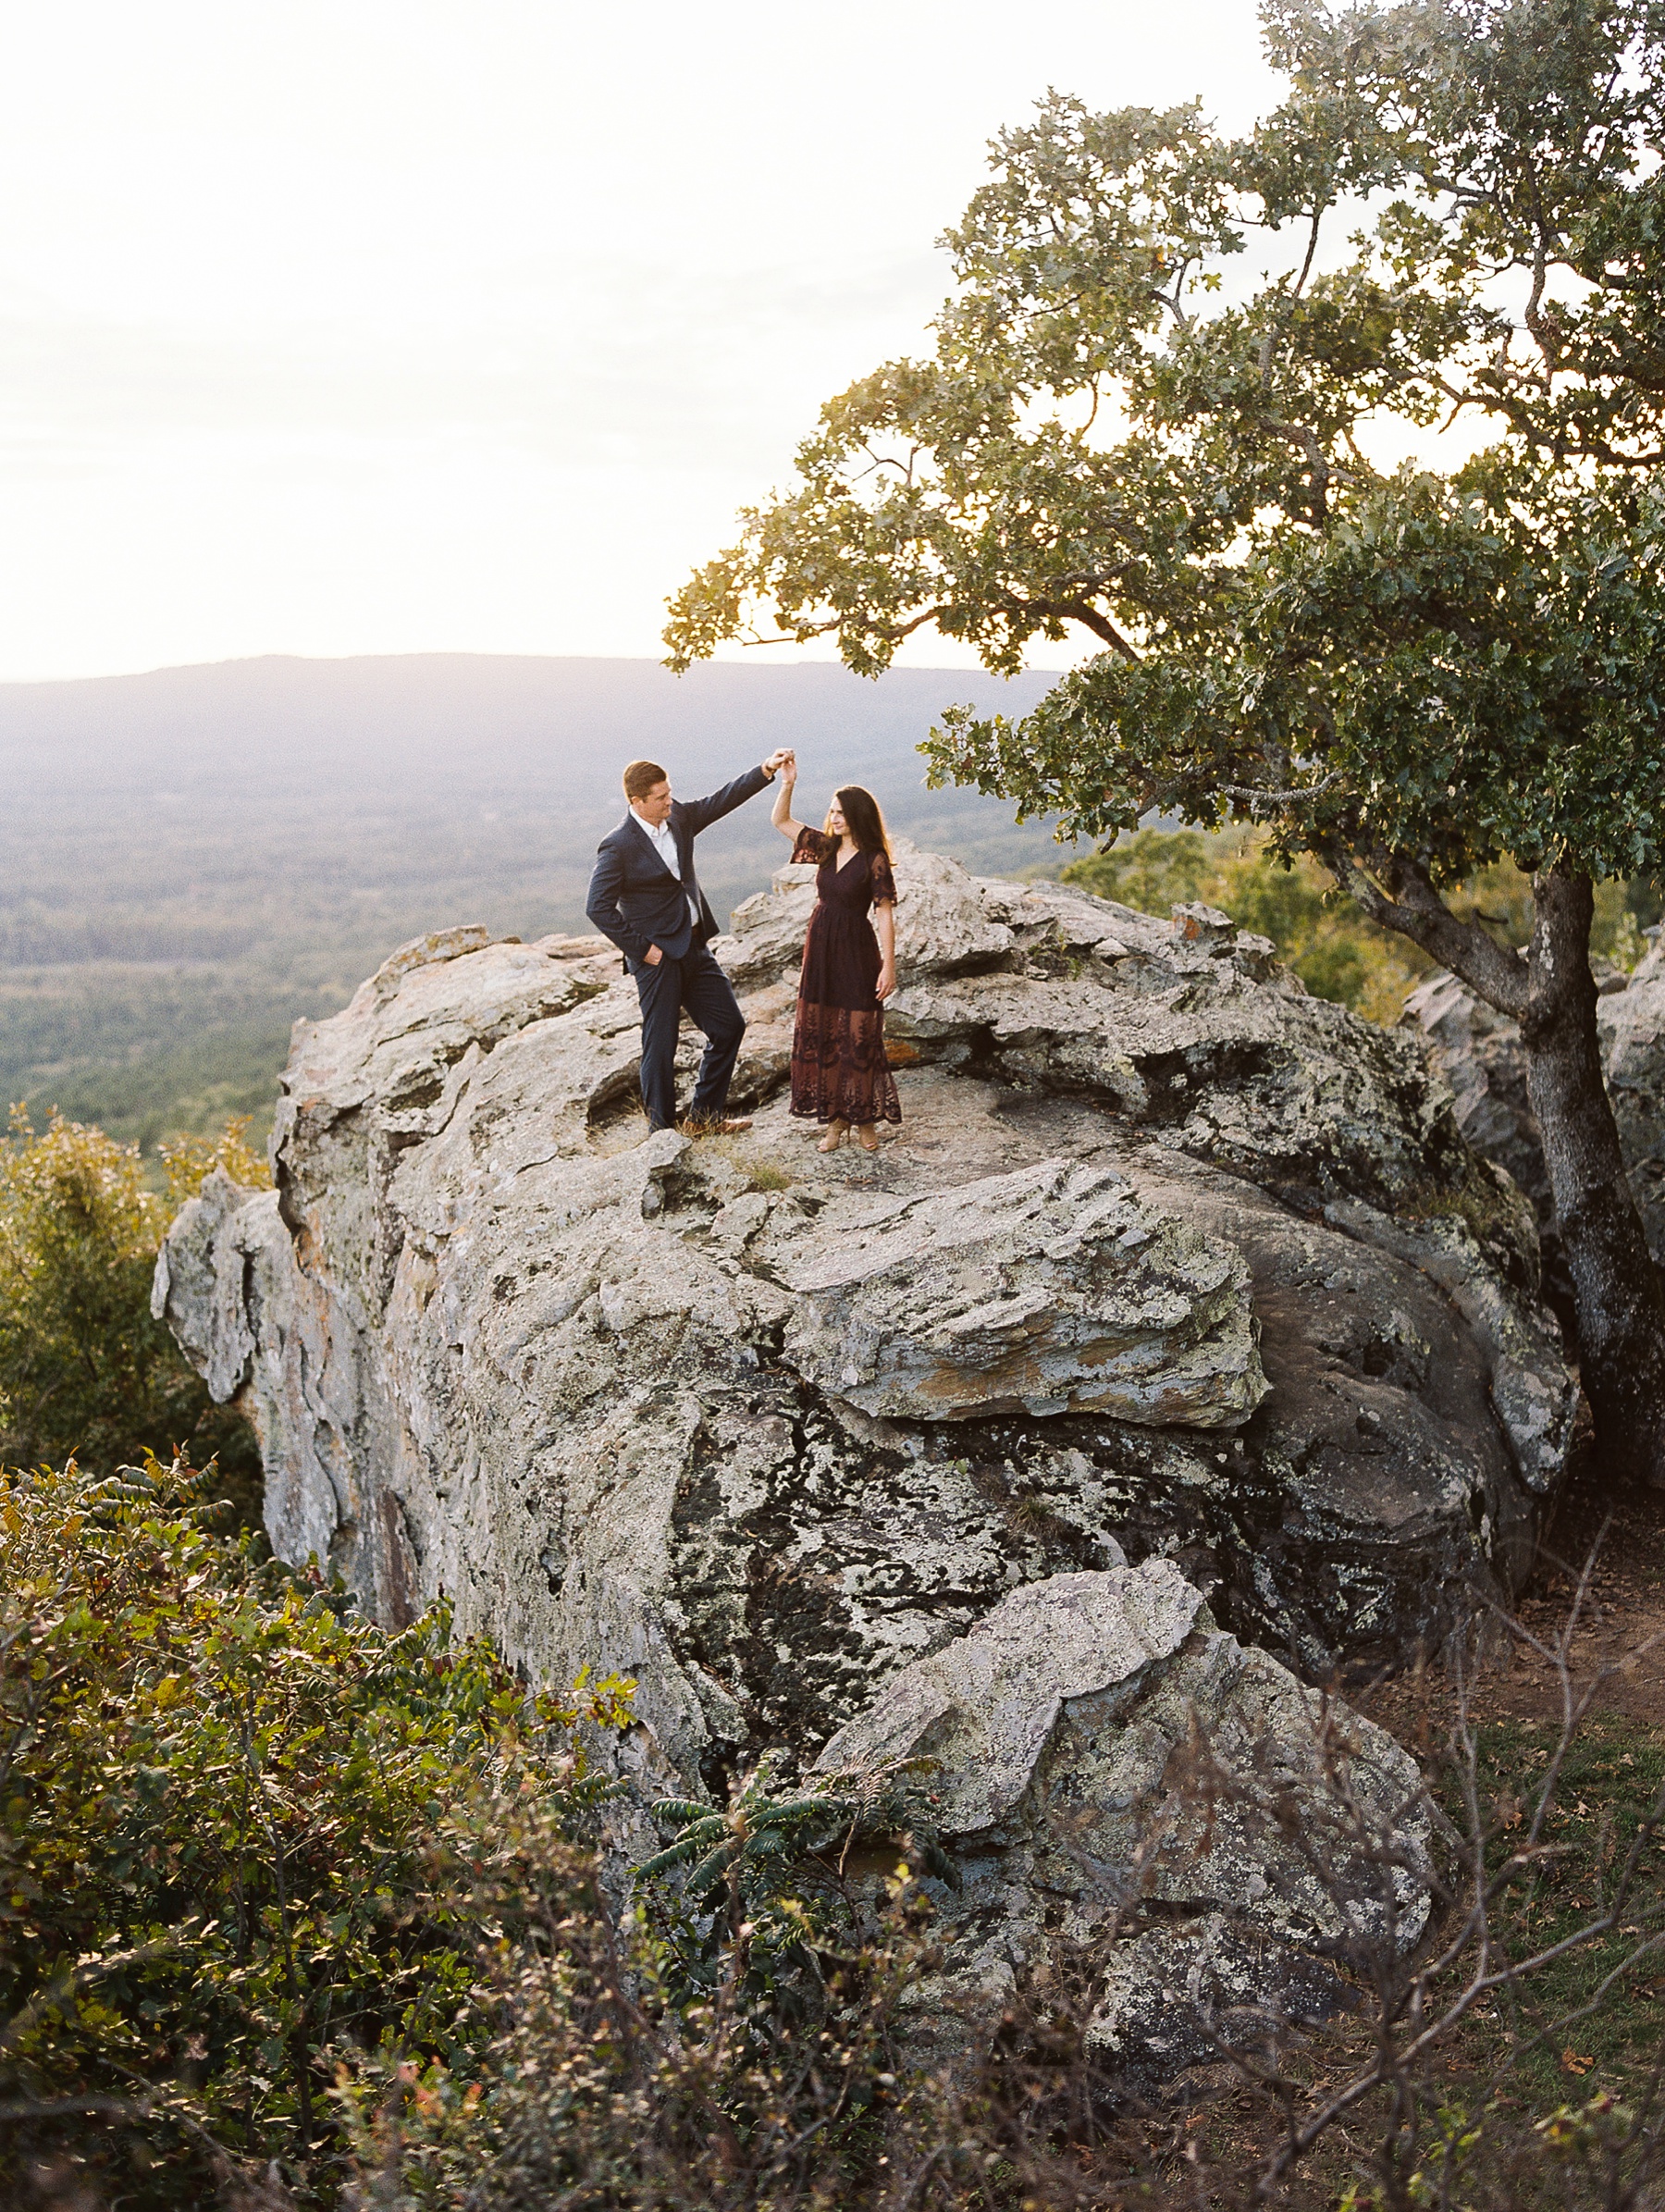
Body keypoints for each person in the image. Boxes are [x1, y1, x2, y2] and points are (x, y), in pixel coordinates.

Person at [586, 749, 792, 1134]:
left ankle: (703, 1119)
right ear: (637, 801)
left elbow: (719, 801)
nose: (670, 801)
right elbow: (597, 907)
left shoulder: (677, 817)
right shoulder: (618, 845)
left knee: (729, 1026)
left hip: (695, 946)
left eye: (669, 793)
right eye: (661, 797)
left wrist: (764, 771)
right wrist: (643, 950)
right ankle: (661, 1134)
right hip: (657, 958)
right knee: (661, 1043)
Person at [771, 762, 901, 1152]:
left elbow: (884, 913)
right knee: (827, 1033)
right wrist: (788, 783)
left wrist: (889, 965)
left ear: (858, 816)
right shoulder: (825, 848)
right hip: (821, 946)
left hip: (858, 949)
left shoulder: (874, 858)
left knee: (860, 1035)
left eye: (841, 813)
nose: (834, 818)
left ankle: (863, 1121)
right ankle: (834, 1122)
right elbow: (780, 820)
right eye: (831, 811)